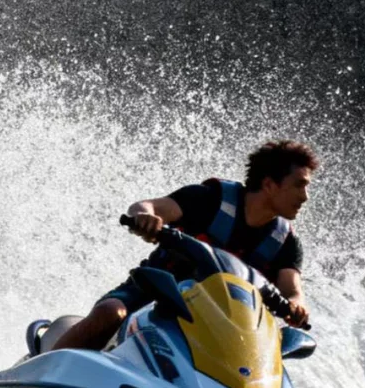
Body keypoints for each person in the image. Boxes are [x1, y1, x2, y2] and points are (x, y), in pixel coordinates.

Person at [52, 139, 317, 352]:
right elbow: (147, 206)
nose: (305, 197)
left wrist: (295, 306)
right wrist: (146, 217)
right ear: (270, 184)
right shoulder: (210, 199)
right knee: (111, 313)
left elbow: (292, 290)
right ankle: (43, 369)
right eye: (299, 185)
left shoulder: (286, 242)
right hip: (158, 291)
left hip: (222, 323)